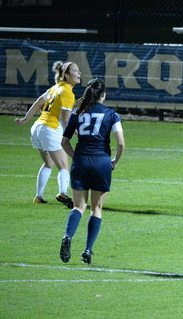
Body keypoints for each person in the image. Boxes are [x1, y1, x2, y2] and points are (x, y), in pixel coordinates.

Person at [59, 78, 124, 264]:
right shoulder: (112, 114)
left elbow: (64, 142)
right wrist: (114, 161)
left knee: (78, 206)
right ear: (103, 95)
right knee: (96, 208)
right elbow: (120, 143)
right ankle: (87, 250)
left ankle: (67, 236)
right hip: (101, 163)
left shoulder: (77, 113)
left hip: (81, 162)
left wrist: (76, 157)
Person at [15, 60, 82, 208]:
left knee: (48, 163)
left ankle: (38, 197)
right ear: (66, 75)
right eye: (75, 71)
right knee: (64, 166)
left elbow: (39, 101)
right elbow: (66, 120)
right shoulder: (67, 92)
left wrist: (26, 118)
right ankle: (62, 193)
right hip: (50, 129)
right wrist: (78, 134)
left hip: (37, 127)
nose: (79, 73)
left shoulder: (55, 88)